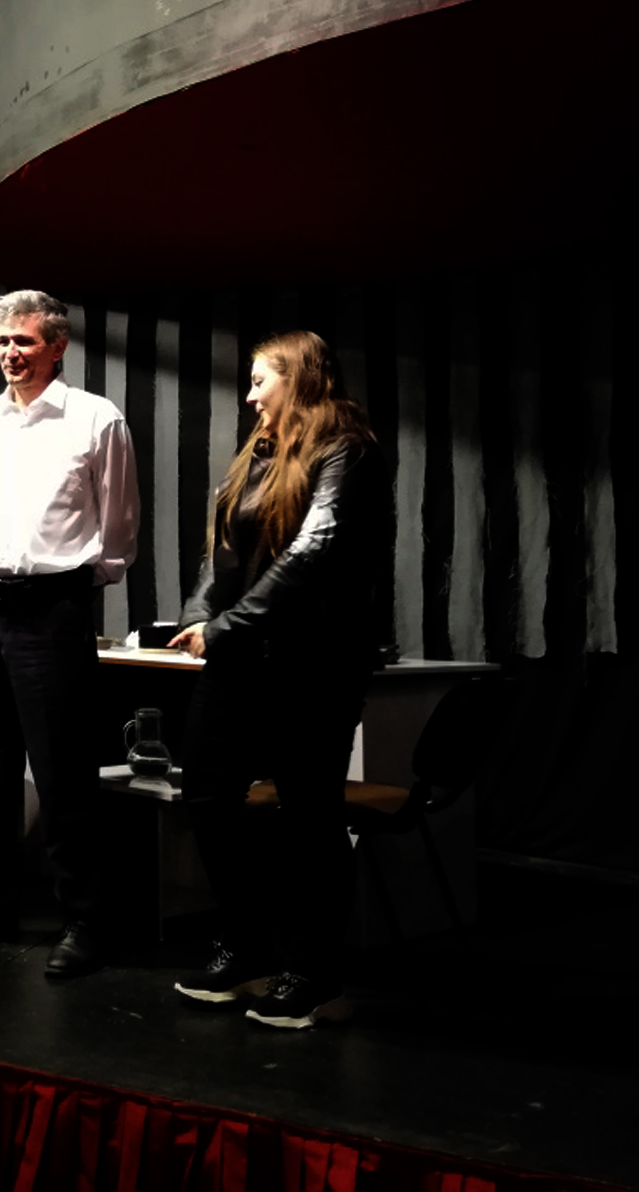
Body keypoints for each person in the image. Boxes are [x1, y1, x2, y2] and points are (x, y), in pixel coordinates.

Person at [168, 330, 383, 1029]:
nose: (250, 394)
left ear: (300, 379)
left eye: (262, 380)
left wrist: (227, 627)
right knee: (206, 793)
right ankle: (247, 947)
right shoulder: (259, 453)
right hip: (242, 659)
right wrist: (201, 615)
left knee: (309, 813)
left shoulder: (345, 447)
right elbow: (223, 552)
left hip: (313, 663)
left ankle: (312, 972)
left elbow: (313, 551)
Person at [0, 291, 139, 975]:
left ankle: (86, 920)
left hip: (52, 608)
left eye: (24, 341)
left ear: (57, 346)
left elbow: (119, 526)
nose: (11, 353)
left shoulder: (96, 417)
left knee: (63, 770)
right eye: (3, 342)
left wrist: (71, 587)